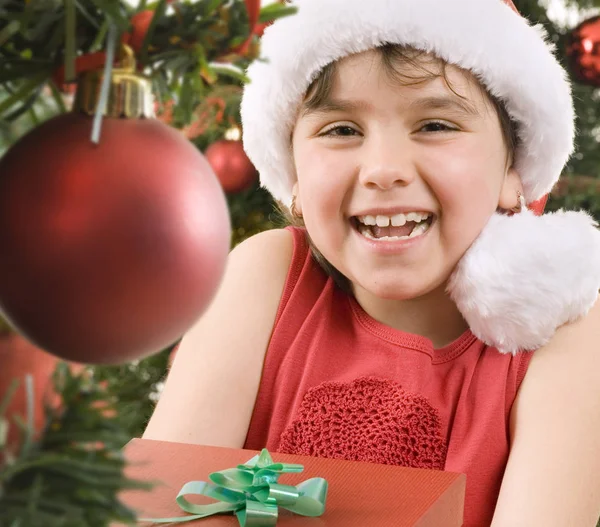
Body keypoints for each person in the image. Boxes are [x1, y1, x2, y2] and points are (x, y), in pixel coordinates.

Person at [143, 0, 600, 524]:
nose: (384, 170)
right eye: (340, 130)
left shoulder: (567, 330)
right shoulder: (264, 277)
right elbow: (157, 510)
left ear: (511, 171)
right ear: (293, 174)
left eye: (434, 125)